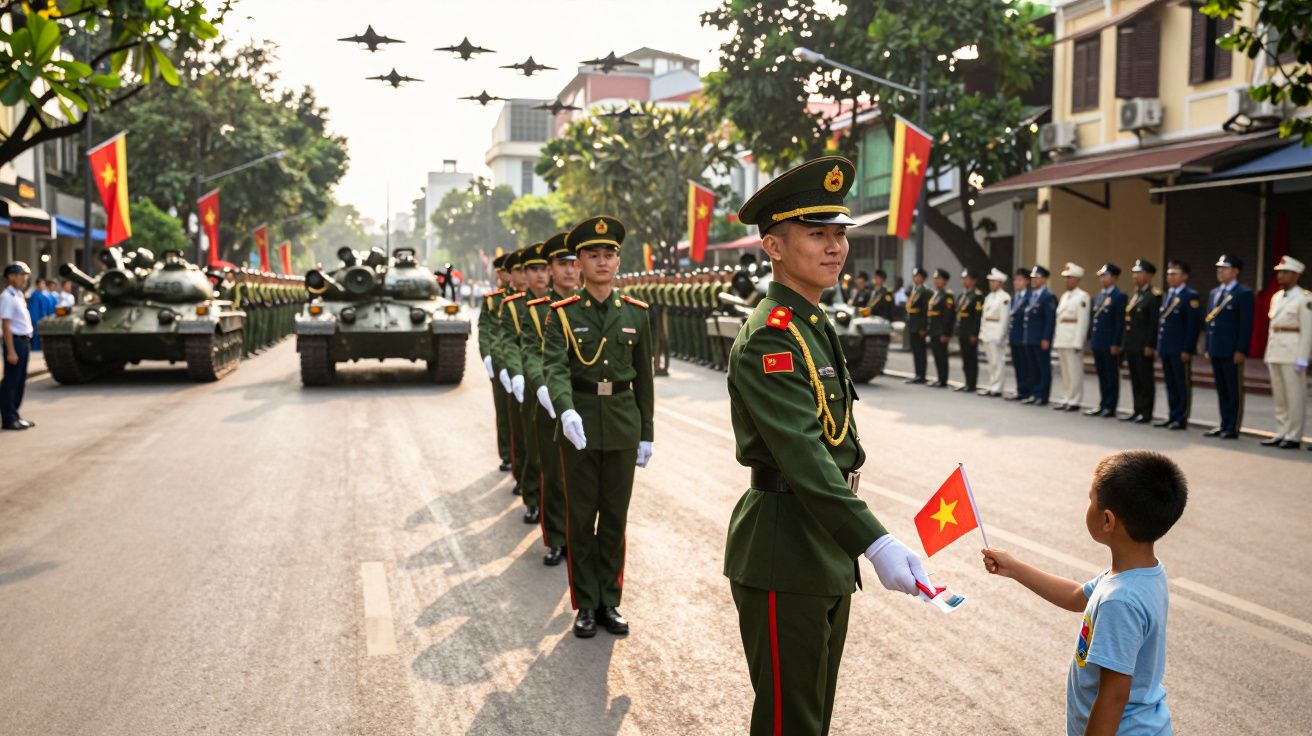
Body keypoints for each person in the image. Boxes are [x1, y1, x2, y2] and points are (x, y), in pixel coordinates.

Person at [726, 157, 931, 736]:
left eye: (839, 233)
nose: (835, 246)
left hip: (821, 544)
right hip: (784, 546)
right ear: (773, 245)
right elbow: (806, 458)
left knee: (812, 715)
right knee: (789, 722)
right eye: (817, 233)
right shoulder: (772, 335)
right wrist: (875, 541)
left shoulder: (810, 324)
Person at [982, 450, 1187, 736]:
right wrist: (1015, 569)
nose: (1087, 505)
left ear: (1107, 520)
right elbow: (1077, 595)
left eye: (1090, 499)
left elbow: (1114, 696)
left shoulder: (1120, 600)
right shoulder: (1142, 572)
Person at [542, 215, 654, 639]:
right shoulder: (564, 315)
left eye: (608, 254)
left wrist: (648, 433)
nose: (601, 262)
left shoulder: (637, 314)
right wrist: (565, 409)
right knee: (581, 518)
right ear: (581, 263)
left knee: (614, 519)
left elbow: (644, 379)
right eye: (592, 255)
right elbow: (554, 368)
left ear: (617, 261)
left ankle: (610, 600)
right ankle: (585, 603)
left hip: (624, 425)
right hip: (580, 426)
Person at [531, 232, 580, 563]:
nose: (569, 270)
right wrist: (543, 385)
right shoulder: (538, 311)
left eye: (574, 263)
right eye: (562, 264)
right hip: (550, 404)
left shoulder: (588, 307)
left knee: (583, 481)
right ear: (550, 269)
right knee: (554, 473)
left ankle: (579, 538)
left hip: (585, 404)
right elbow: (532, 354)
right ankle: (557, 538)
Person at [1261, 255, 1311, 450]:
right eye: (1279, 272)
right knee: (1280, 396)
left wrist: (1303, 357)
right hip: (1275, 350)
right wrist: (1268, 353)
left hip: (1293, 352)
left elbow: (1307, 330)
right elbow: (1273, 327)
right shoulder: (1276, 297)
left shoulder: (1304, 298)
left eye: (1285, 273)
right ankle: (1281, 431)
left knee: (1294, 396)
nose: (1281, 276)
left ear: (1296, 275)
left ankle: (1294, 435)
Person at [1203, 254, 1254, 440]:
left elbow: (1245, 325)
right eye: (1219, 268)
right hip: (1217, 348)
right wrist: (1208, 345)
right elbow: (1210, 323)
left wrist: (1241, 349)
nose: (1220, 271)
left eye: (1224, 268)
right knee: (1222, 388)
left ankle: (1232, 426)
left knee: (1233, 389)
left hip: (1232, 350)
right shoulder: (1215, 293)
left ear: (1235, 271)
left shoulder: (1243, 293)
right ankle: (1223, 423)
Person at [1154, 261, 1202, 430]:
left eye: (1175, 274)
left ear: (1185, 276)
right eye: (1169, 274)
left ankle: (1181, 417)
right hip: (1167, 347)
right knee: (1170, 383)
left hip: (1180, 349)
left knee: (1181, 384)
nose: (1170, 277)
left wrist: (1187, 349)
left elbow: (1192, 326)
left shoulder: (1190, 296)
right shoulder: (1168, 295)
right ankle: (1172, 414)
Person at [479, 254, 515, 473]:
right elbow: (486, 330)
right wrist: (488, 355)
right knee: (504, 411)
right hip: (500, 360)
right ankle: (507, 453)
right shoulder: (493, 299)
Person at [1120, 260, 1160, 424]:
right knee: (1135, 378)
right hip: (1132, 345)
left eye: (1139, 273)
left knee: (1145, 379)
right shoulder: (1136, 294)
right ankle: (1137, 409)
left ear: (1149, 276)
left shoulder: (1154, 296)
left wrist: (1150, 345)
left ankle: (1146, 412)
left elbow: (1153, 323)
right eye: (1134, 273)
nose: (1135, 276)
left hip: (1144, 345)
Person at [1085, 264, 1127, 418]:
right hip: (1098, 342)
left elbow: (1119, 323)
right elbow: (1093, 320)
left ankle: (1111, 405)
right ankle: (1103, 403)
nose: (1102, 279)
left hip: (1110, 343)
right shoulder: (1098, 296)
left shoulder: (1119, 296)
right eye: (1101, 276)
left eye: (1105, 276)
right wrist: (1091, 340)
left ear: (1114, 278)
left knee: (1111, 376)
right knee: (1102, 375)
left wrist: (1116, 343)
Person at [1, 262, 36, 430]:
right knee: (11, 381)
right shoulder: (7, 297)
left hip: (24, 341)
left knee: (20, 381)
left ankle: (15, 414)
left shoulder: (18, 295)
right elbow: (6, 325)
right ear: (11, 277)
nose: (25, 278)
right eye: (22, 275)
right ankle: (9, 418)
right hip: (14, 341)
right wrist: (11, 351)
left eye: (26, 275)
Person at [1053, 263, 1090, 411]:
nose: (1067, 281)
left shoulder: (1082, 297)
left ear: (1076, 279)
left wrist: (1078, 342)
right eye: (1066, 278)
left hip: (1072, 339)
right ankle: (1067, 396)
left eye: (1069, 278)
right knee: (1066, 372)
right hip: (1062, 338)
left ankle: (1075, 399)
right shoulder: (1064, 296)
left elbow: (1082, 321)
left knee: (1074, 372)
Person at [1023, 265, 1057, 406]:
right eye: (1032, 278)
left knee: (1043, 368)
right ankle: (1034, 393)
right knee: (1032, 368)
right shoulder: (1030, 295)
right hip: (1030, 337)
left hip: (1040, 339)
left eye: (1036, 278)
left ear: (1044, 279)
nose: (1033, 280)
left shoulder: (1048, 296)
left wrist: (1046, 338)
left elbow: (1050, 320)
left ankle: (1043, 395)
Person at [978, 268, 1011, 397]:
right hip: (987, 334)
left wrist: (1000, 336)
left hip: (996, 335)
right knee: (991, 362)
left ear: (1001, 283)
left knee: (998, 362)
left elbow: (1004, 319)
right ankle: (992, 385)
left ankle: (997, 387)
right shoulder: (989, 297)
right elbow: (984, 317)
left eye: (994, 281)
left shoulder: (1004, 298)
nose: (991, 284)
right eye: (990, 281)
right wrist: (982, 332)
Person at [954, 269, 983, 392]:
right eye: (963, 279)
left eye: (967, 279)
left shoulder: (977, 296)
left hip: (970, 331)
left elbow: (977, 316)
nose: (964, 281)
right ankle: (966, 382)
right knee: (965, 358)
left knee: (971, 358)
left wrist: (974, 333)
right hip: (962, 330)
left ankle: (972, 384)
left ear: (973, 281)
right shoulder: (962, 295)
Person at [1005, 268, 1032, 401]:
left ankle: (1028, 391)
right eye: (1015, 280)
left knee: (1026, 366)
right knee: (1018, 366)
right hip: (1014, 337)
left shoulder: (1030, 297)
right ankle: (1020, 390)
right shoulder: (1014, 297)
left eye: (1020, 280)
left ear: (1027, 281)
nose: (1016, 282)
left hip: (1024, 337)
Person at [926, 268, 956, 388]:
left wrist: (946, 333)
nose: (936, 281)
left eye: (939, 279)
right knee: (936, 356)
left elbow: (949, 317)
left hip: (941, 331)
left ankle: (943, 379)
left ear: (945, 281)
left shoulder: (947, 295)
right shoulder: (936, 294)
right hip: (933, 330)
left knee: (942, 355)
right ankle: (939, 377)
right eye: (935, 279)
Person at [904, 267, 931, 384]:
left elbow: (925, 311)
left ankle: (922, 375)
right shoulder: (915, 290)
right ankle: (917, 374)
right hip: (913, 325)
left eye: (918, 276)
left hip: (919, 326)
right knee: (915, 351)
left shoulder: (925, 291)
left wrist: (923, 328)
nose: (916, 278)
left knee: (921, 351)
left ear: (923, 278)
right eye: (915, 276)